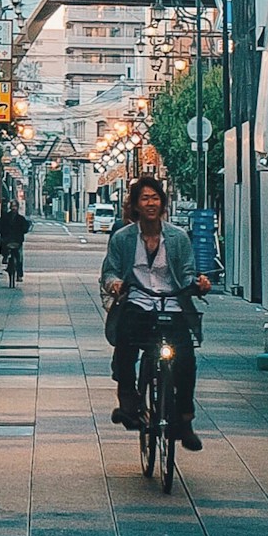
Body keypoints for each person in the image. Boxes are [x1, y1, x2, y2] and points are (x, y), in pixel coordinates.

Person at [99, 175, 210, 450]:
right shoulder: (123, 238)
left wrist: (198, 285)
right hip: (137, 302)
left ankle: (184, 420)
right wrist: (114, 283)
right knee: (125, 347)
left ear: (162, 203)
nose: (151, 203)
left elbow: (186, 273)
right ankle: (128, 401)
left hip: (172, 304)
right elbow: (110, 270)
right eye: (144, 198)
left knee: (186, 360)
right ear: (135, 205)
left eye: (155, 198)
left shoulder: (178, 237)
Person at [0, 197, 29, 283]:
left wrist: (24, 230)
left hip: (17, 241)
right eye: (12, 206)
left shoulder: (21, 219)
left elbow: (25, 227)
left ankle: (19, 275)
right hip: (7, 240)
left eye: (15, 206)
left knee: (19, 257)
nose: (14, 208)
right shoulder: (5, 217)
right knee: (5, 249)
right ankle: (6, 258)